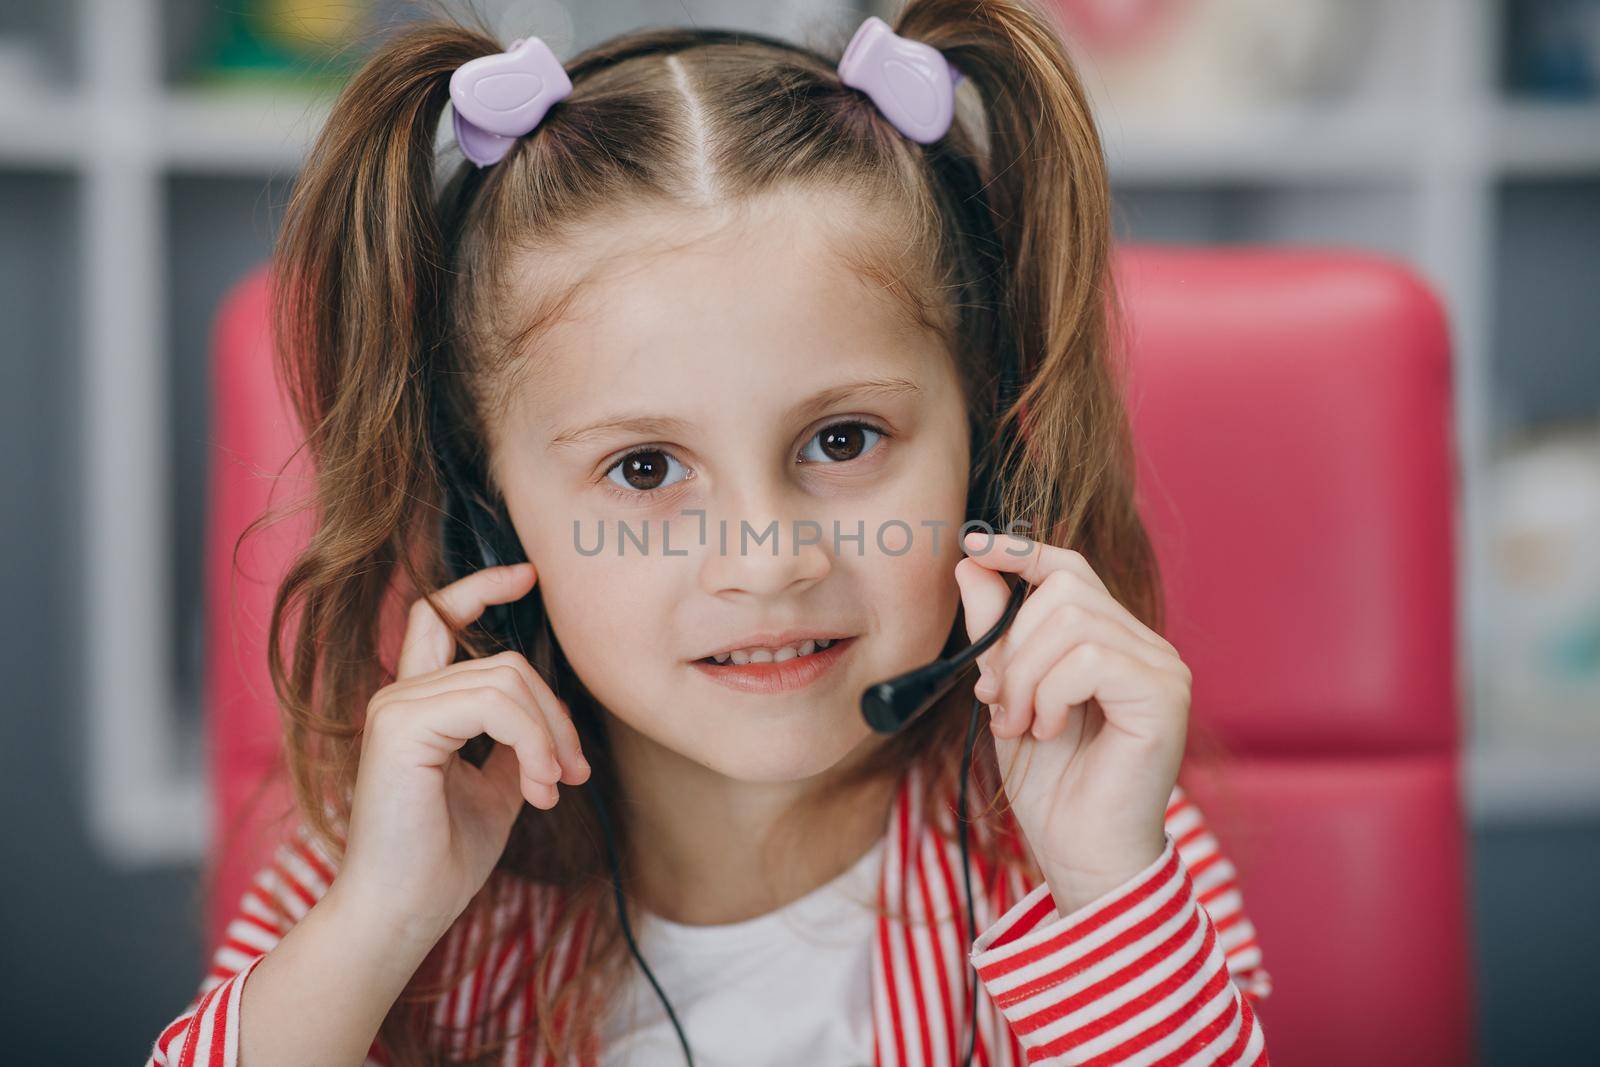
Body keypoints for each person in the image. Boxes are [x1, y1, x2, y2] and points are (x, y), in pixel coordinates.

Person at [147, 2, 1272, 1064]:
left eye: (843, 440)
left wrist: (1105, 880)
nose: (768, 558)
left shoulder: (1097, 835)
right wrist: (381, 917)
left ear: (987, 452)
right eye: (643, 468)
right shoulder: (387, 854)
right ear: (485, 510)